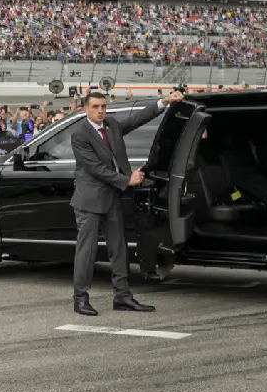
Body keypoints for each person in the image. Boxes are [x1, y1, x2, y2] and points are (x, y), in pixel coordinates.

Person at [71, 89, 184, 316]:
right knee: (87, 252)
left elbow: (136, 119)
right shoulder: (80, 134)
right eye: (95, 107)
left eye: (103, 106)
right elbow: (96, 169)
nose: (101, 111)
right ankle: (80, 298)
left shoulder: (111, 125)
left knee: (119, 249)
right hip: (90, 201)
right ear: (86, 109)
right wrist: (127, 179)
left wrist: (164, 101)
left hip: (112, 198)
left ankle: (122, 296)